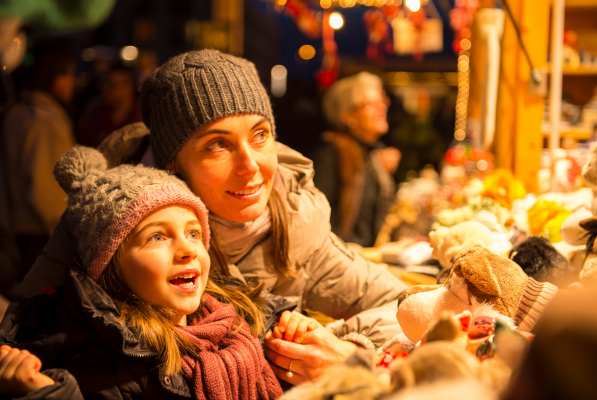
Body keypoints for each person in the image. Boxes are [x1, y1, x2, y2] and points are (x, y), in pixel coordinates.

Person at [10, 49, 408, 385]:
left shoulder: (294, 223)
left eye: (260, 134)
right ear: (172, 165)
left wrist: (347, 350)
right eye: (218, 145)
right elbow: (22, 336)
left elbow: (407, 306)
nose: (250, 166)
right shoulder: (103, 220)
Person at [0, 145, 282, 399]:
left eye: (193, 233)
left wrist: (294, 327)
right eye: (157, 237)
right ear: (112, 265)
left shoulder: (238, 316)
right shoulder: (101, 367)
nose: (188, 250)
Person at [0, 39, 76, 278]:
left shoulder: (17, 112)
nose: (73, 82)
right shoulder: (43, 119)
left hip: (17, 229)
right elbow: (44, 186)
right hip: (42, 234)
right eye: (70, 74)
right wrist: (68, 232)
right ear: (55, 78)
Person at [312, 72, 401, 247]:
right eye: (369, 104)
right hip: (343, 261)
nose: (381, 108)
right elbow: (315, 219)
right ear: (347, 115)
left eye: (381, 101)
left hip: (367, 258)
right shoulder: (332, 153)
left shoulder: (370, 154)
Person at [77, 65, 142, 148]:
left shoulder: (142, 119)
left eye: (112, 85)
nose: (106, 89)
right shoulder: (96, 115)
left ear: (128, 88)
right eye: (105, 83)